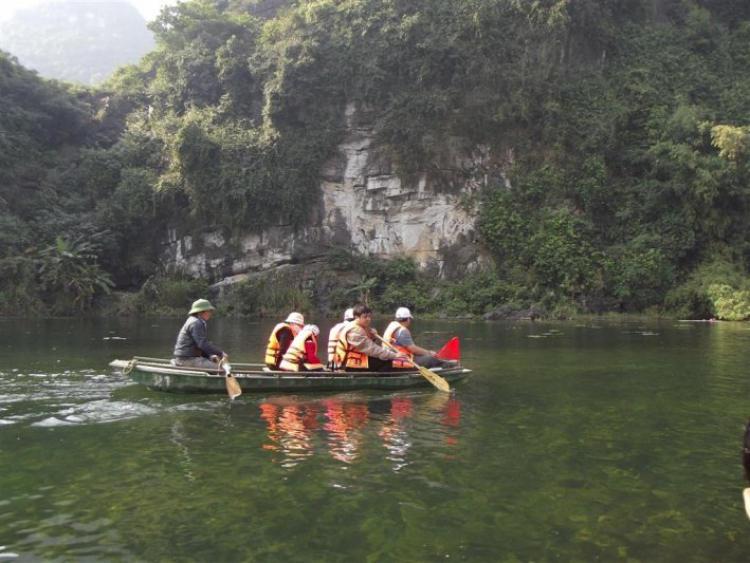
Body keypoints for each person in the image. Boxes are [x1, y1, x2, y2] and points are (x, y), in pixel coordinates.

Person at [334, 304, 409, 372]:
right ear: (356, 317)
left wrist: (372, 336)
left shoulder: (360, 327)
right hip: (348, 364)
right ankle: (379, 380)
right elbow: (372, 349)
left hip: (357, 359)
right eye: (365, 317)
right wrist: (394, 355)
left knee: (385, 359)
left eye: (369, 317)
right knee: (388, 362)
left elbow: (369, 346)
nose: (368, 319)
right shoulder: (354, 331)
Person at [383, 307, 458, 369]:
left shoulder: (392, 326)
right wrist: (429, 353)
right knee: (429, 358)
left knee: (425, 356)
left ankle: (446, 363)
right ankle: (449, 364)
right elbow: (414, 350)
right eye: (409, 319)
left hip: (391, 358)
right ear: (408, 319)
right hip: (400, 360)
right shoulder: (402, 331)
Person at [171, 299, 227, 369]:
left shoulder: (195, 321)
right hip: (187, 360)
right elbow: (202, 344)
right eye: (208, 311)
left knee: (220, 365)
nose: (210, 313)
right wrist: (221, 353)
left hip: (188, 358)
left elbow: (199, 345)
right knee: (222, 368)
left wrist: (209, 356)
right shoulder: (196, 323)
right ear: (200, 312)